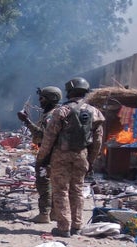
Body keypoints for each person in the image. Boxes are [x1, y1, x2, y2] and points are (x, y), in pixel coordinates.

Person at [36, 77, 105, 237]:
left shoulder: (62, 111)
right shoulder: (95, 113)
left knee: (61, 191)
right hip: (82, 155)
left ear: (69, 92)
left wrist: (42, 157)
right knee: (77, 190)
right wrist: (90, 160)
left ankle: (63, 227)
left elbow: (49, 137)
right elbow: (97, 141)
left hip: (61, 156)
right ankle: (77, 226)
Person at [16, 86, 62, 223]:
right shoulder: (56, 113)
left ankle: (44, 214)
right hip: (56, 153)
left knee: (44, 183)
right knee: (54, 183)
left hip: (48, 153)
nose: (40, 101)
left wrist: (26, 121)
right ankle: (54, 213)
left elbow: (41, 136)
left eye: (42, 98)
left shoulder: (51, 116)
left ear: (51, 99)